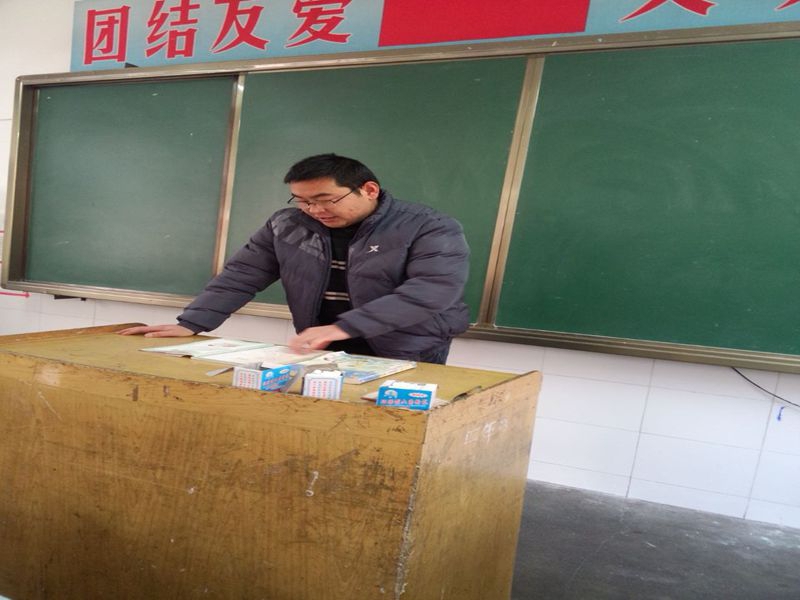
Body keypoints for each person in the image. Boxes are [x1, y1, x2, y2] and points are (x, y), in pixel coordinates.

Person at [120, 153, 470, 364]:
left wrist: (344, 326)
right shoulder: (287, 225)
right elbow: (242, 274)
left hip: (407, 344)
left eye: (326, 199)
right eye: (303, 201)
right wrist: (192, 322)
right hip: (322, 342)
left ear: (369, 190)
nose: (315, 210)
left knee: (398, 426)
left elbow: (433, 289)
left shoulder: (429, 226)